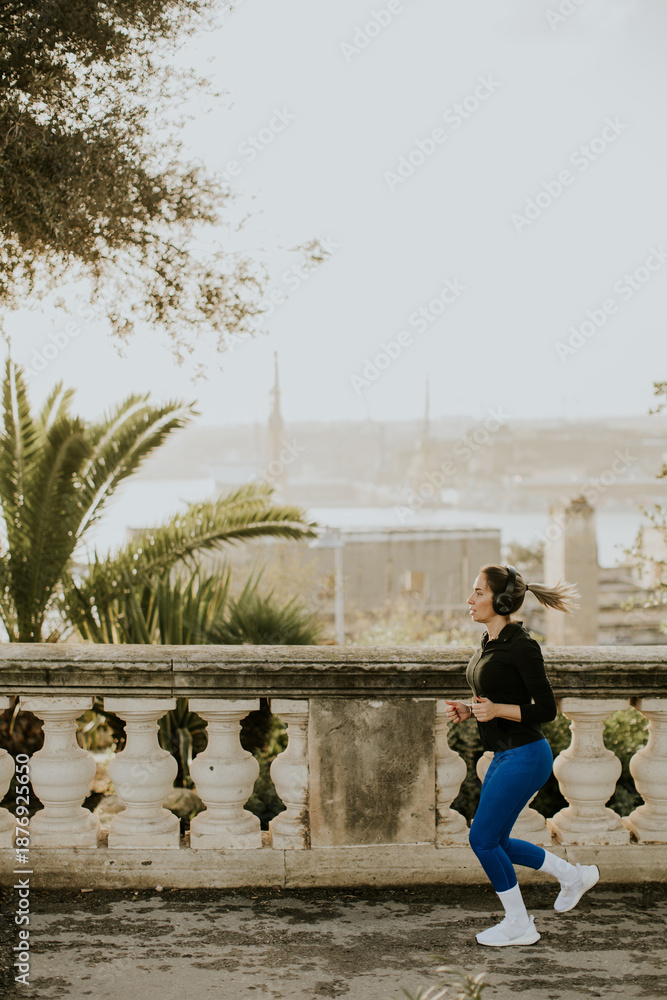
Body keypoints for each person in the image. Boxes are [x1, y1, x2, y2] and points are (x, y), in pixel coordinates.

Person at [444, 563, 599, 948]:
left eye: (478, 592)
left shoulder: (522, 645)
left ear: (500, 600)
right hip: (504, 754)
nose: (470, 599)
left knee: (481, 840)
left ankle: (518, 923)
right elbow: (497, 694)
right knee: (498, 840)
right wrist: (471, 709)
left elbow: (545, 709)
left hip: (526, 755)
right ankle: (573, 876)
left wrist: (496, 710)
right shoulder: (489, 642)